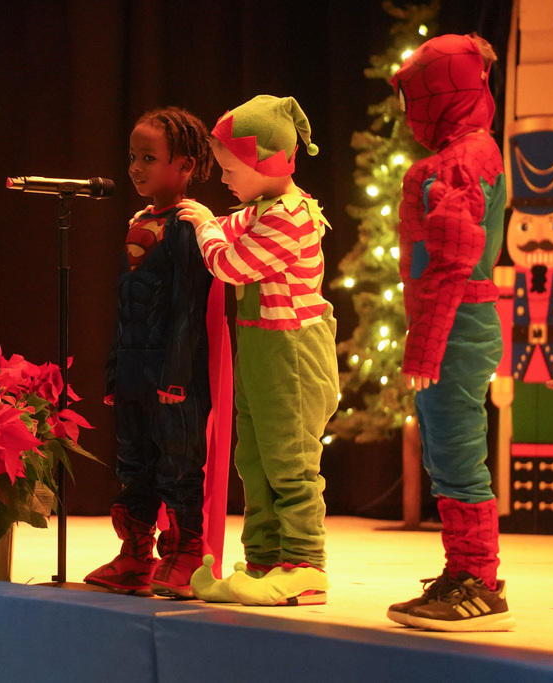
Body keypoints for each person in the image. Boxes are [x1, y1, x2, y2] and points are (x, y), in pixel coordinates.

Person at [177, 95, 339, 606]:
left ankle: (305, 564)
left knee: (290, 460)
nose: (223, 178)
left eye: (230, 169)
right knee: (254, 458)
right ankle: (265, 560)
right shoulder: (260, 211)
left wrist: (203, 226)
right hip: (260, 351)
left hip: (292, 356)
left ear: (265, 164)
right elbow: (230, 229)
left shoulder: (290, 216)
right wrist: (199, 222)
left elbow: (229, 264)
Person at [385, 33, 516, 631]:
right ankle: (464, 571)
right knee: (446, 448)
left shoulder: (463, 160)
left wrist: (426, 343)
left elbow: (451, 258)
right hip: (454, 320)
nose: (410, 114)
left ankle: (479, 583)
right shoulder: (465, 155)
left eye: (414, 98)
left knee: (458, 451)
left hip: (457, 322)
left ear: (442, 94)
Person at [84, 106, 224, 599]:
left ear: (185, 166)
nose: (135, 167)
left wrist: (176, 375)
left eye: (148, 157)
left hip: (172, 371)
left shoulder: (188, 225)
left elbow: (188, 305)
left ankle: (185, 555)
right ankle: (135, 555)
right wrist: (114, 372)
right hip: (134, 368)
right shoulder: (140, 220)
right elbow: (125, 303)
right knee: (133, 463)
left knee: (178, 464)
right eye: (132, 157)